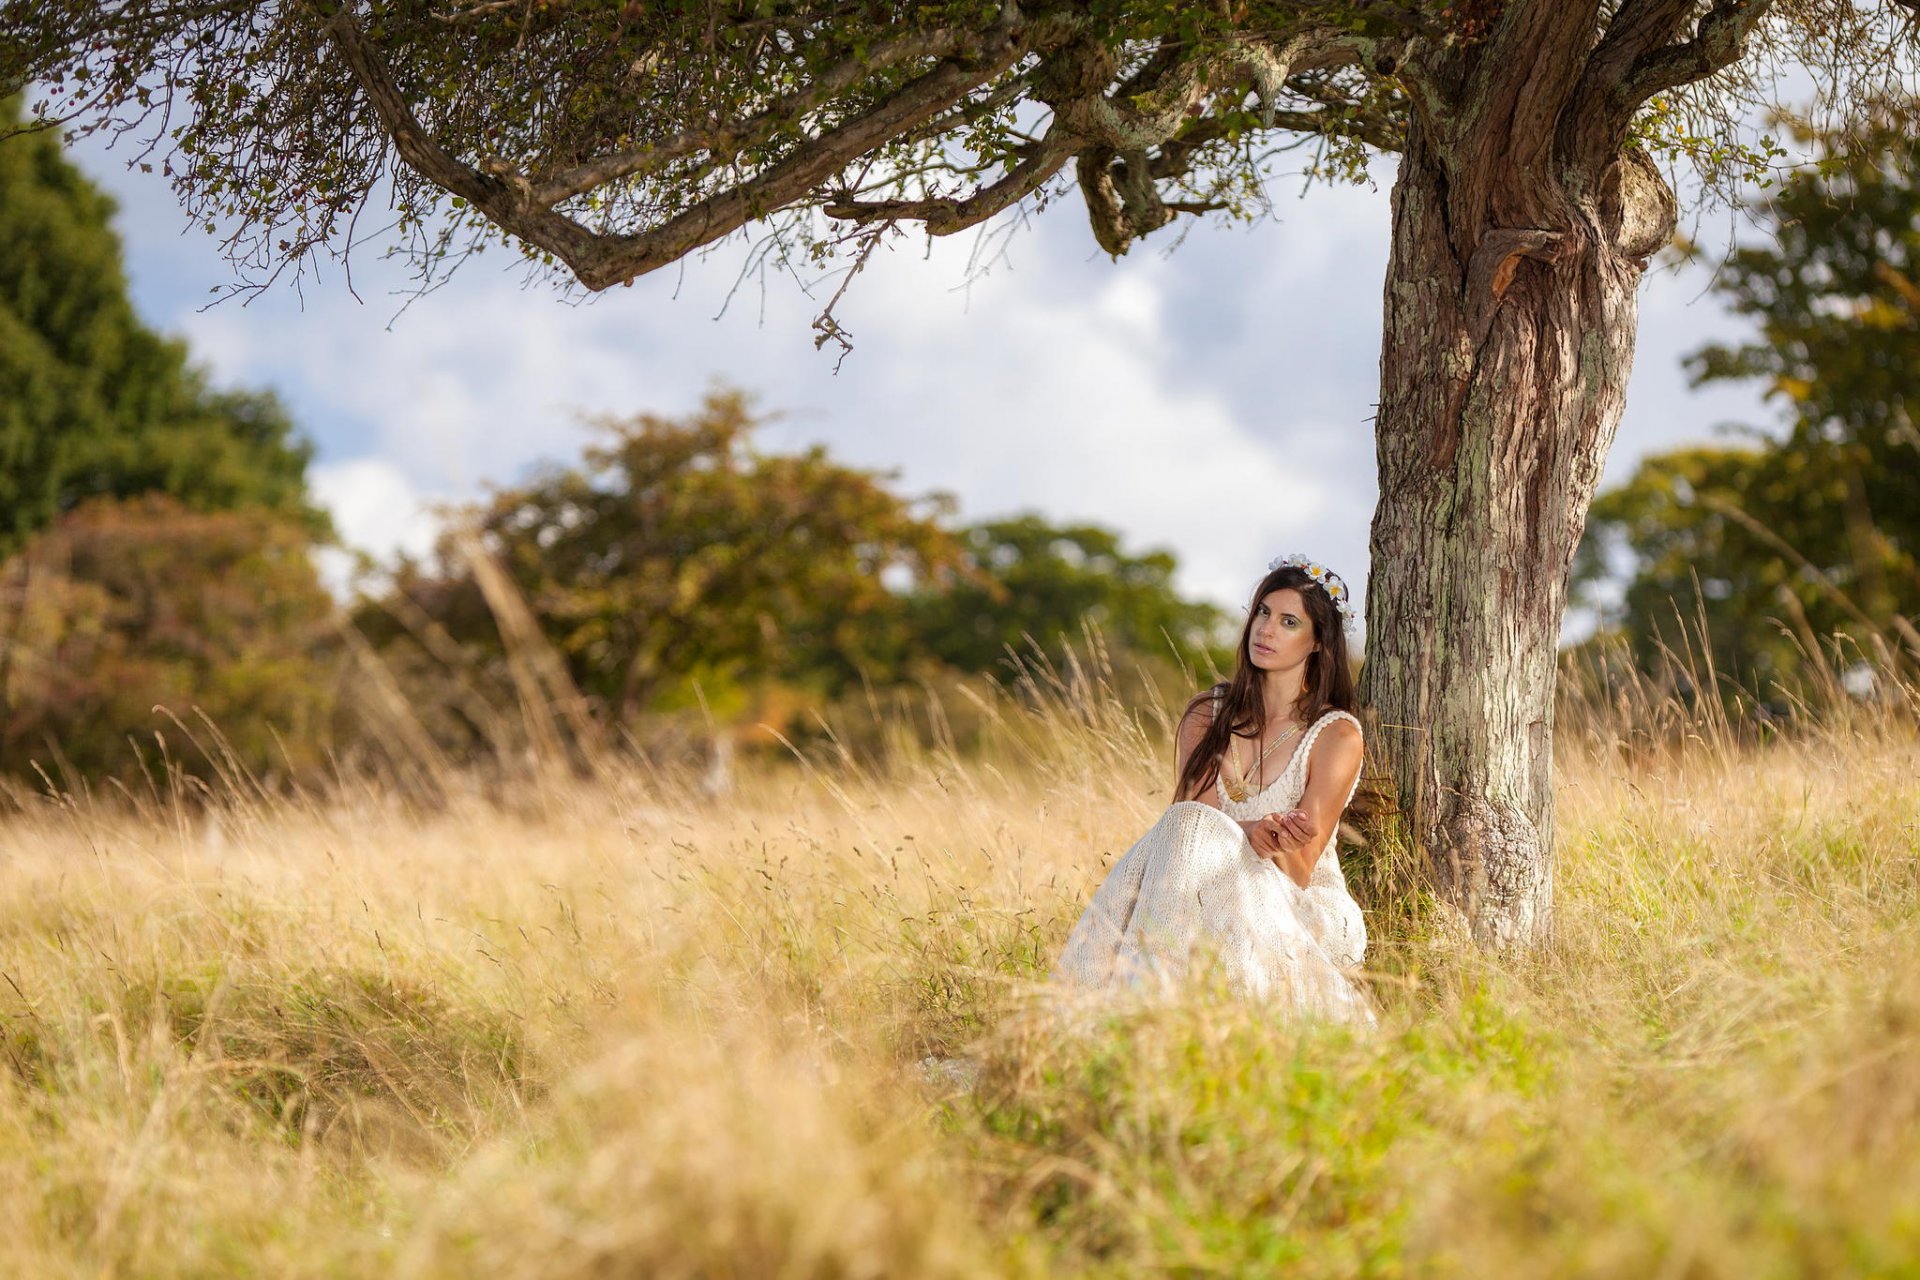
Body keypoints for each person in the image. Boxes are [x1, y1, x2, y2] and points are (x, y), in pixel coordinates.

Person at [1052, 555, 1374, 1024]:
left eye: (1289, 622)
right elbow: (1187, 836)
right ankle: (1142, 1009)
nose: (1266, 629)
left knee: (1190, 843)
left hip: (1297, 903)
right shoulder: (1208, 714)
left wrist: (1271, 839)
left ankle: (1140, 1008)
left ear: (1318, 642)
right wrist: (1251, 831)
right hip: (1197, 890)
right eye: (1262, 612)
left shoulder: (1335, 735)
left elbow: (1300, 868)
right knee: (1184, 827)